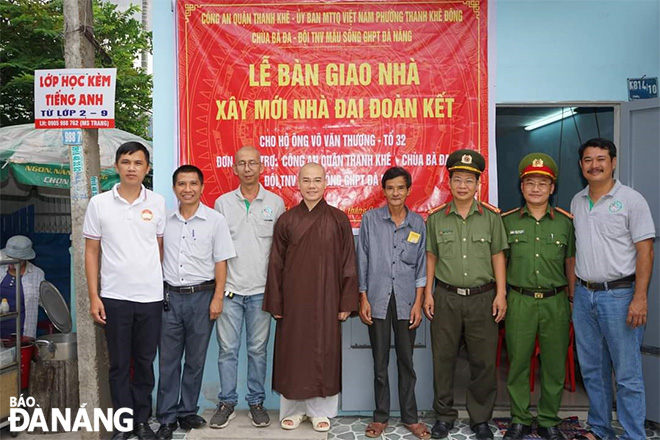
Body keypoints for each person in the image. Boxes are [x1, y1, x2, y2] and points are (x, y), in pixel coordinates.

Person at [263, 162, 359, 433]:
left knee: (323, 353)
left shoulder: (338, 219)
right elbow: (275, 265)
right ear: (299, 183)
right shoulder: (287, 220)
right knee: (293, 354)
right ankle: (292, 410)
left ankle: (320, 412)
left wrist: (346, 303)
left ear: (326, 183)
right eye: (307, 180)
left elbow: (348, 263)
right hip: (294, 302)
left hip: (328, 300)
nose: (312, 185)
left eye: (317, 180)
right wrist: (276, 302)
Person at [570, 138, 655, 440]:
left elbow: (646, 252)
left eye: (601, 159)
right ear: (581, 166)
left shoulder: (632, 200)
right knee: (593, 369)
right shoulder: (577, 201)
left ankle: (634, 434)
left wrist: (640, 298)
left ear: (613, 162)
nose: (595, 165)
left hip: (620, 296)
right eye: (588, 160)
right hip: (584, 295)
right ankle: (600, 428)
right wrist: (574, 294)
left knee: (627, 374)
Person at [423, 149, 508, 440]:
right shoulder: (436, 218)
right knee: (442, 359)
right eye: (457, 179)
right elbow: (431, 257)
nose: (463, 185)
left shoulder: (491, 217)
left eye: (469, 180)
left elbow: (498, 256)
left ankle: (480, 419)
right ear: (449, 182)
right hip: (445, 297)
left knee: (483, 362)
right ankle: (444, 416)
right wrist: (428, 294)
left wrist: (501, 294)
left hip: (483, 298)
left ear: (477, 184)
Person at [83, 141, 166, 440]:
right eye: (126, 162)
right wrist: (95, 295)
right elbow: (92, 252)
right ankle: (123, 424)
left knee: (144, 362)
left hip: (150, 298)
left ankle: (143, 421)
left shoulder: (156, 202)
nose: (132, 168)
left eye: (138, 163)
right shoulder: (100, 203)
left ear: (147, 168)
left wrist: (146, 275)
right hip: (114, 298)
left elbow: (158, 247)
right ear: (116, 166)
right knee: (118, 364)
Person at [155, 165, 235, 440]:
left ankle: (186, 410)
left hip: (202, 297)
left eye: (193, 183)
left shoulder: (215, 221)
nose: (187, 189)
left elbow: (221, 262)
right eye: (181, 184)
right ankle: (165, 417)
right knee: (168, 361)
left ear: (202, 187)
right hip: (169, 298)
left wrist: (217, 298)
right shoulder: (163, 221)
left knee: (196, 360)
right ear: (174, 188)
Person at [501, 153, 576, 440]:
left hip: (556, 301)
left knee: (554, 364)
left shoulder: (565, 223)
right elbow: (501, 262)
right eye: (529, 183)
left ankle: (547, 420)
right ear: (521, 187)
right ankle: (519, 418)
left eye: (542, 184)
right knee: (518, 362)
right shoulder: (507, 222)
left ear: (552, 188)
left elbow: (570, 262)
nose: (535, 189)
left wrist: (571, 299)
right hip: (519, 300)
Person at [210, 146, 284, 429]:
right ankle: (227, 402)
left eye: (253, 163)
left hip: (261, 292)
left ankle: (256, 401)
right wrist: (218, 291)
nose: (248, 168)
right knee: (227, 350)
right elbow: (218, 251)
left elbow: (280, 254)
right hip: (229, 291)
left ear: (261, 167)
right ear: (234, 169)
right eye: (242, 163)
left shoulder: (275, 203)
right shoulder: (222, 203)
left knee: (257, 350)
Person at [357, 167, 430, 439]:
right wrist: (362, 297)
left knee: (406, 361)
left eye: (400, 188)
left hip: (406, 301)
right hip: (376, 299)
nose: (395, 193)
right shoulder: (371, 220)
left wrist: (418, 303)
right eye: (390, 188)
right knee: (379, 362)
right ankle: (380, 417)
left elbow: (422, 266)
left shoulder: (418, 224)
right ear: (383, 190)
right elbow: (362, 259)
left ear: (408, 190)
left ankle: (410, 418)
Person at [0, 235, 45, 339]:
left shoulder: (36, 273)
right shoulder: (1, 269)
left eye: (17, 259)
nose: (12, 261)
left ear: (25, 258)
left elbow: (45, 301)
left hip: (23, 332)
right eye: (10, 257)